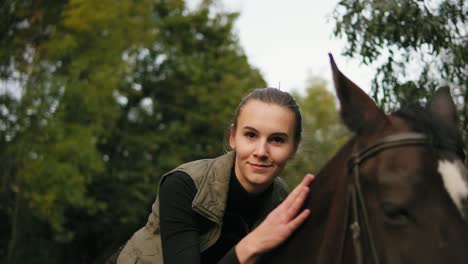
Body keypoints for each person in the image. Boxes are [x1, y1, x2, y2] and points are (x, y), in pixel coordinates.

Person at [115, 87, 314, 264]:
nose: (261, 152)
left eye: (277, 139)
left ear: (293, 148)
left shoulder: (283, 204)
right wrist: (252, 245)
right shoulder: (183, 185)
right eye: (251, 135)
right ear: (233, 137)